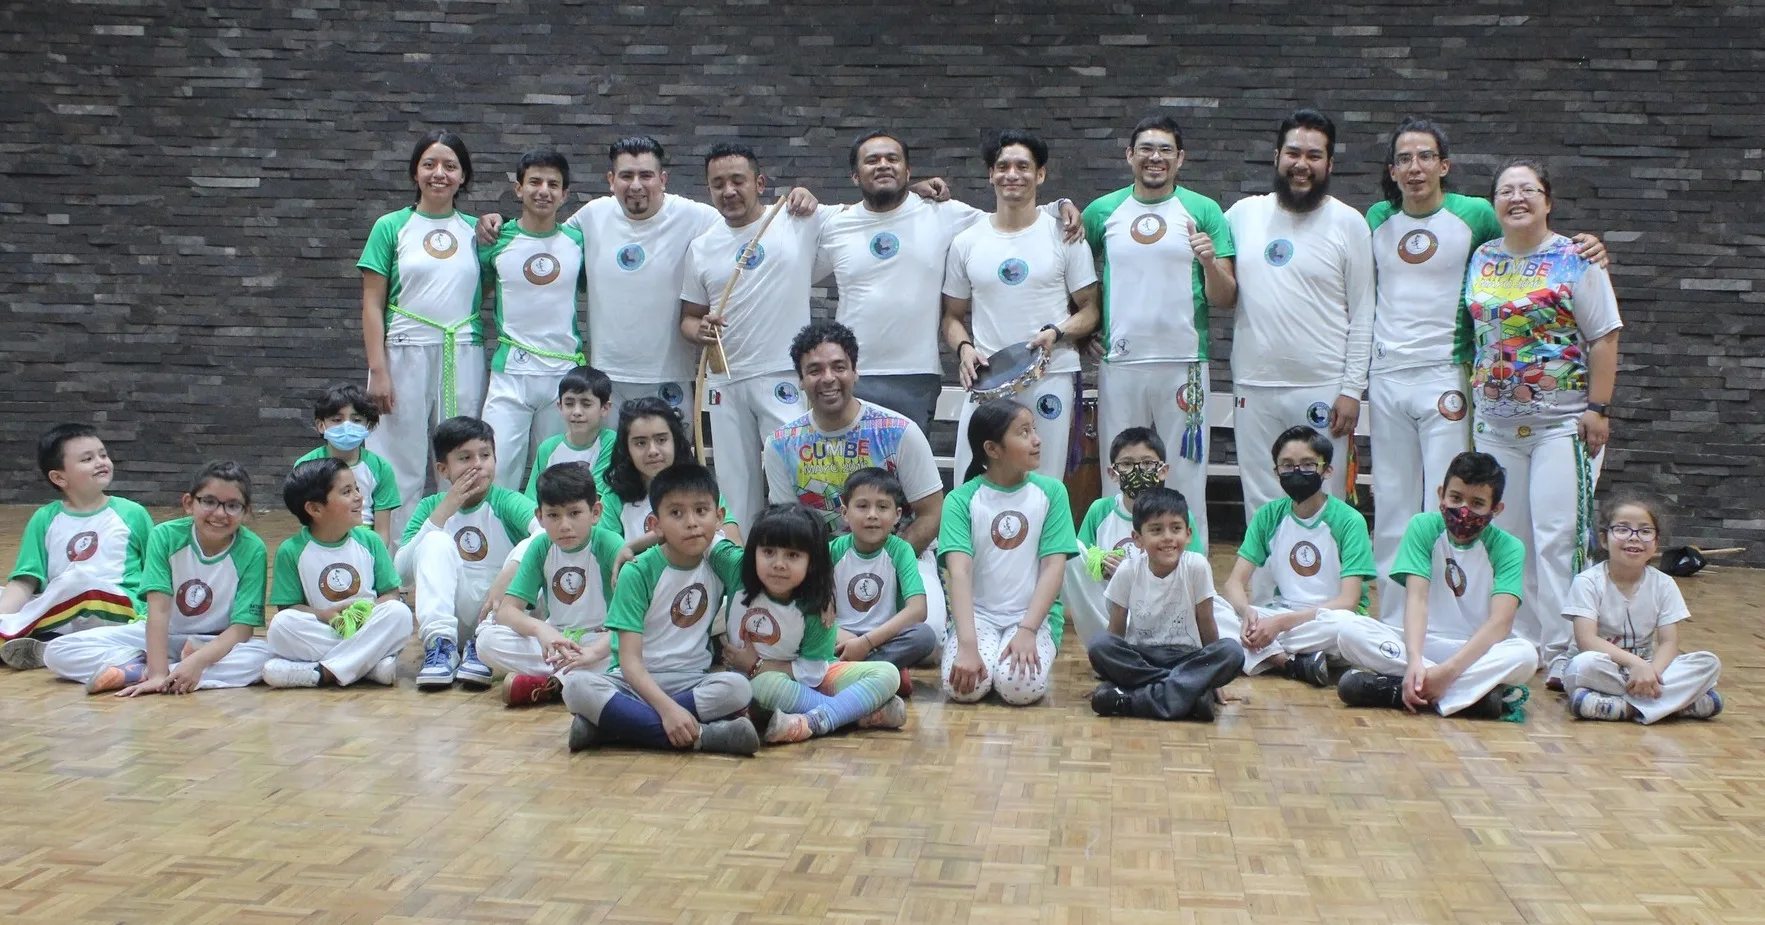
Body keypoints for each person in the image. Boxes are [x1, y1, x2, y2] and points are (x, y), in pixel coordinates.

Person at [1365, 118, 1609, 625]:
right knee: (1399, 507)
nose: (1416, 167)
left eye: (1426, 156)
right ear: (1392, 169)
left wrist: (1589, 246)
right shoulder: (1380, 219)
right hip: (1407, 384)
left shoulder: (1475, 216)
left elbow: (1538, 244)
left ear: (1445, 165)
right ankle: (1399, 621)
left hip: (1459, 384)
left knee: (1467, 511)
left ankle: (1532, 636)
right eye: (1405, 159)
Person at [813, 131, 1080, 430]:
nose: (883, 165)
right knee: (847, 470)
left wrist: (1060, 205)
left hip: (915, 375)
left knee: (905, 474)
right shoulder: (836, 224)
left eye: (892, 159)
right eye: (872, 160)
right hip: (850, 371)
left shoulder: (943, 214)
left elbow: (1010, 217)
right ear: (854, 175)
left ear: (908, 170)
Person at [1467, 158, 1622, 667]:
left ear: (1547, 200)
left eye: (1528, 189)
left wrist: (1598, 408)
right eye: (1506, 190)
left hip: (1565, 422)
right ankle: (1523, 642)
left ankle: (1566, 648)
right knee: (1511, 541)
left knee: (1558, 537)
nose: (1517, 197)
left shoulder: (1576, 258)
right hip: (1495, 427)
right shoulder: (1482, 257)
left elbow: (1604, 336)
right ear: (1494, 204)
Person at [1082, 115, 1236, 546]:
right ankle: (1116, 577)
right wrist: (1080, 331)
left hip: (1184, 364)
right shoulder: (1102, 211)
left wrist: (1208, 261)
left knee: (1186, 477)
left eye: (1166, 149)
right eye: (1146, 148)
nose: (1156, 157)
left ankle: (1191, 580)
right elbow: (1070, 276)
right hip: (1122, 364)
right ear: (1130, 155)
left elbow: (1225, 297)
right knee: (1119, 477)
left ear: (1180, 158)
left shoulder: (1203, 210)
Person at [1225, 108, 1375, 515]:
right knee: (1260, 501)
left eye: (1314, 156)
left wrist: (1351, 390)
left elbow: (1363, 312)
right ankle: (1265, 581)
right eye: (1293, 153)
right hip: (1254, 386)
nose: (1301, 165)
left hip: (1323, 387)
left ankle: (1324, 581)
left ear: (1329, 163)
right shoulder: (1242, 215)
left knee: (1322, 502)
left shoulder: (1349, 223)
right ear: (1276, 156)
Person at [762, 321, 947, 645]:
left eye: (839, 367)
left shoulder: (898, 431)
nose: (828, 378)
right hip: (821, 564)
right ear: (801, 380)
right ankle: (870, 654)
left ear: (855, 372)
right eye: (815, 370)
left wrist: (885, 563)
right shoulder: (780, 444)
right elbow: (788, 527)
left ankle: (849, 647)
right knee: (778, 625)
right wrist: (820, 577)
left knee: (928, 632)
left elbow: (931, 512)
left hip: (901, 554)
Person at [559, 463, 760, 756]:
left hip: (691, 679)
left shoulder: (720, 561)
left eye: (701, 511)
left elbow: (766, 566)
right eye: (676, 514)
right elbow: (629, 662)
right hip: (634, 682)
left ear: (719, 518)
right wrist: (668, 711)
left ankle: (610, 728)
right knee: (575, 687)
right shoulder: (638, 572)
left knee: (738, 688)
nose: (691, 522)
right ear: (656, 524)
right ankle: (704, 736)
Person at [942, 129, 1101, 483]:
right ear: (991, 174)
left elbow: (1090, 310)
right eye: (1003, 166)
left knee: (1045, 480)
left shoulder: (1065, 234)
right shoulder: (966, 241)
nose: (1012, 174)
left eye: (1023, 167)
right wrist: (964, 348)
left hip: (1052, 374)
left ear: (1040, 174)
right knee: (970, 482)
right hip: (988, 378)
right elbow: (952, 317)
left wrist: (1058, 333)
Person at [680, 141, 821, 533]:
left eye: (738, 180)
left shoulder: (795, 221)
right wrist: (700, 329)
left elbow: (871, 213)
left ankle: (799, 561)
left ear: (759, 182)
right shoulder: (702, 247)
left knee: (795, 475)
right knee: (734, 487)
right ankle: (742, 574)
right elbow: (689, 320)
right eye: (717, 184)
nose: (728, 191)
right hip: (724, 380)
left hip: (781, 374)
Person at [1336, 451, 1538, 720]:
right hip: (1422, 644)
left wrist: (1449, 671)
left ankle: (1399, 690)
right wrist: (1416, 660)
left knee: (1525, 656)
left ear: (1496, 509)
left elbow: (1500, 623)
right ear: (1441, 494)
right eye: (1455, 498)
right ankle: (1470, 698)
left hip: (1473, 651)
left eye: (1477, 503)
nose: (1463, 510)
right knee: (1349, 630)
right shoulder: (1422, 526)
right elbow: (1416, 599)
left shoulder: (1509, 547)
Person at [43, 461, 271, 694]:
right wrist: (157, 671)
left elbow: (242, 629)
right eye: (210, 502)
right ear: (189, 503)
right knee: (58, 650)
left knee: (262, 658)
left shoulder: (253, 550)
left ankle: (141, 673)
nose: (220, 513)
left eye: (233, 505)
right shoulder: (165, 536)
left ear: (246, 511)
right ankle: (151, 670)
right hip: (160, 635)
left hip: (214, 642)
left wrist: (198, 660)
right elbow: (158, 611)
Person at [360, 129, 487, 541]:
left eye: (451, 166)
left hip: (462, 352)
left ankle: (460, 552)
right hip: (403, 352)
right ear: (415, 172)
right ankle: (396, 557)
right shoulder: (390, 227)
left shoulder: (477, 231)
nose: (439, 173)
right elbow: (372, 304)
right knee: (400, 459)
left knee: (463, 454)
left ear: (463, 176)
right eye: (429, 164)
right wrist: (378, 369)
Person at [721, 504, 906, 744]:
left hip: (811, 676)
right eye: (768, 552)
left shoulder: (817, 605)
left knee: (888, 673)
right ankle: (858, 712)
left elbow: (811, 674)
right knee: (762, 686)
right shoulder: (735, 567)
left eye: (793, 555)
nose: (779, 564)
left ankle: (814, 721)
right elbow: (703, 538)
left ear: (813, 561)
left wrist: (756, 664)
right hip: (763, 684)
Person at [939, 399, 1079, 706]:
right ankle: (987, 665)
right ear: (993, 448)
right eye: (1024, 432)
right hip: (978, 619)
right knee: (963, 688)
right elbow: (958, 573)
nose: (1037, 440)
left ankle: (1002, 666)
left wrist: (1028, 630)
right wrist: (967, 644)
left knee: (1020, 688)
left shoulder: (1052, 492)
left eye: (1035, 430)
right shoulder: (960, 500)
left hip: (1032, 619)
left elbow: (1053, 567)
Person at [1212, 426, 1375, 685]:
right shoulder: (1269, 515)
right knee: (1212, 609)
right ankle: (1290, 663)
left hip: (1327, 619)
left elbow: (1349, 602)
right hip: (1280, 614)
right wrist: (1245, 613)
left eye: (1308, 464)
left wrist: (1281, 624)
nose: (1296, 472)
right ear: (1276, 473)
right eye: (1287, 466)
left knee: (1349, 628)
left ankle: (1269, 652)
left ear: (1327, 470)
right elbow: (1233, 583)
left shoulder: (1349, 521)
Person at [396, 416, 539, 691]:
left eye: (485, 455)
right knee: (434, 540)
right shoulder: (430, 507)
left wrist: (509, 573)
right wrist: (443, 513)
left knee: (536, 540)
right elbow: (400, 573)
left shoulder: (507, 502)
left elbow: (548, 535)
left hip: (499, 616)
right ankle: (441, 646)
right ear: (443, 469)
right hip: (454, 619)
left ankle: (481, 649)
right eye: (465, 458)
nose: (478, 465)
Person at [0, 424, 152, 669]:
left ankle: (8, 634)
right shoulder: (44, 518)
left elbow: (156, 572)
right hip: (64, 614)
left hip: (121, 613)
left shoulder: (132, 513)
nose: (101, 462)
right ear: (59, 477)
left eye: (103, 455)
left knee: (79, 581)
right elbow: (24, 580)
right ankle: (41, 647)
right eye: (87, 459)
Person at [479, 149, 587, 488]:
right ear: (518, 189)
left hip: (563, 376)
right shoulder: (495, 240)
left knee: (559, 479)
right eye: (535, 182)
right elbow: (473, 296)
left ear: (565, 195)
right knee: (495, 474)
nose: (544, 190)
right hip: (510, 376)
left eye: (553, 184)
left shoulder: (579, 243)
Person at [1087, 487, 1244, 721]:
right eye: (1156, 530)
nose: (1168, 537)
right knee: (1100, 645)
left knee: (1232, 651)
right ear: (1138, 538)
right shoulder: (1127, 571)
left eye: (1176, 528)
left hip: (1187, 657)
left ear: (1188, 534)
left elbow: (1207, 622)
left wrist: (1213, 676)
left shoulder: (1197, 566)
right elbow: (1116, 629)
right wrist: (1112, 673)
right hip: (1142, 657)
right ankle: (1189, 694)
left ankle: (1130, 701)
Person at [1561, 495, 1721, 723]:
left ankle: (1622, 707)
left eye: (1645, 531)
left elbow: (1669, 642)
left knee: (1709, 662)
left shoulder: (1664, 584)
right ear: (1604, 540)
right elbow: (1587, 640)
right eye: (1623, 530)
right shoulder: (1587, 582)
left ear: (1656, 542)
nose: (1634, 538)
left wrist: (1652, 671)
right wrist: (1636, 665)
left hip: (1650, 672)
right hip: (1605, 669)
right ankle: (1676, 705)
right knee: (1583, 666)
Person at [261, 458, 413, 689]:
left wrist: (365, 613)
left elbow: (390, 594)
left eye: (357, 488)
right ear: (315, 508)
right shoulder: (291, 551)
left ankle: (323, 673)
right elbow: (290, 608)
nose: (359, 497)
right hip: (326, 628)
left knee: (399, 613)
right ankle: (368, 665)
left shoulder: (370, 541)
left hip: (367, 626)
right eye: (346, 491)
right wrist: (323, 614)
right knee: (281, 626)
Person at [482, 462, 623, 707]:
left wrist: (594, 652)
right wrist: (542, 630)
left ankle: (549, 684)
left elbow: (632, 620)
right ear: (540, 516)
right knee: (486, 641)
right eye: (554, 515)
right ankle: (568, 681)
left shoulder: (610, 545)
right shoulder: (540, 546)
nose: (564, 525)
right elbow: (506, 610)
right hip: (557, 642)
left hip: (602, 641)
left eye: (574, 513)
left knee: (632, 652)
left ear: (596, 512)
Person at [1064, 428, 1205, 646]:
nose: (1137, 471)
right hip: (1110, 613)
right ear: (1112, 473)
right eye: (1127, 464)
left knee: (1222, 614)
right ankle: (1111, 645)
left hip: (1165, 610)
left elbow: (1193, 568)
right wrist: (1098, 561)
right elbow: (1082, 558)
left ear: (1163, 470)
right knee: (1068, 548)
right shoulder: (1100, 510)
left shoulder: (1177, 513)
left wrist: (1133, 571)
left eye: (1148, 464)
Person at [828, 468, 933, 694]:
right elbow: (812, 607)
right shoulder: (831, 551)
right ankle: (881, 674)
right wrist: (839, 635)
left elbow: (918, 610)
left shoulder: (900, 550)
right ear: (845, 512)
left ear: (897, 515)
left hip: (881, 639)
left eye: (882, 507)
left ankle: (849, 674)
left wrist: (865, 643)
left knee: (923, 636)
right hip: (838, 640)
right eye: (862, 506)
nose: (872, 515)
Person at [597, 397, 740, 541]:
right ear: (626, 449)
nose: (652, 451)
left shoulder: (701, 488)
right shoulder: (614, 499)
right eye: (640, 443)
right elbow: (611, 559)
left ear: (675, 442)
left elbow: (734, 550)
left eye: (661, 440)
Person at [294, 384, 400, 548]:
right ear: (321, 425)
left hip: (365, 542)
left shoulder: (381, 468)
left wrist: (377, 560)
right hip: (322, 539)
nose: (346, 426)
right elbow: (307, 521)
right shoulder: (305, 466)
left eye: (356, 420)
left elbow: (382, 531)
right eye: (337, 420)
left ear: (368, 425)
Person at [521, 365, 618, 499]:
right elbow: (531, 499)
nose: (577, 412)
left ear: (605, 408)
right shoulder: (547, 448)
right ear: (560, 407)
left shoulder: (611, 442)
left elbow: (594, 497)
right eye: (569, 404)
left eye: (586, 404)